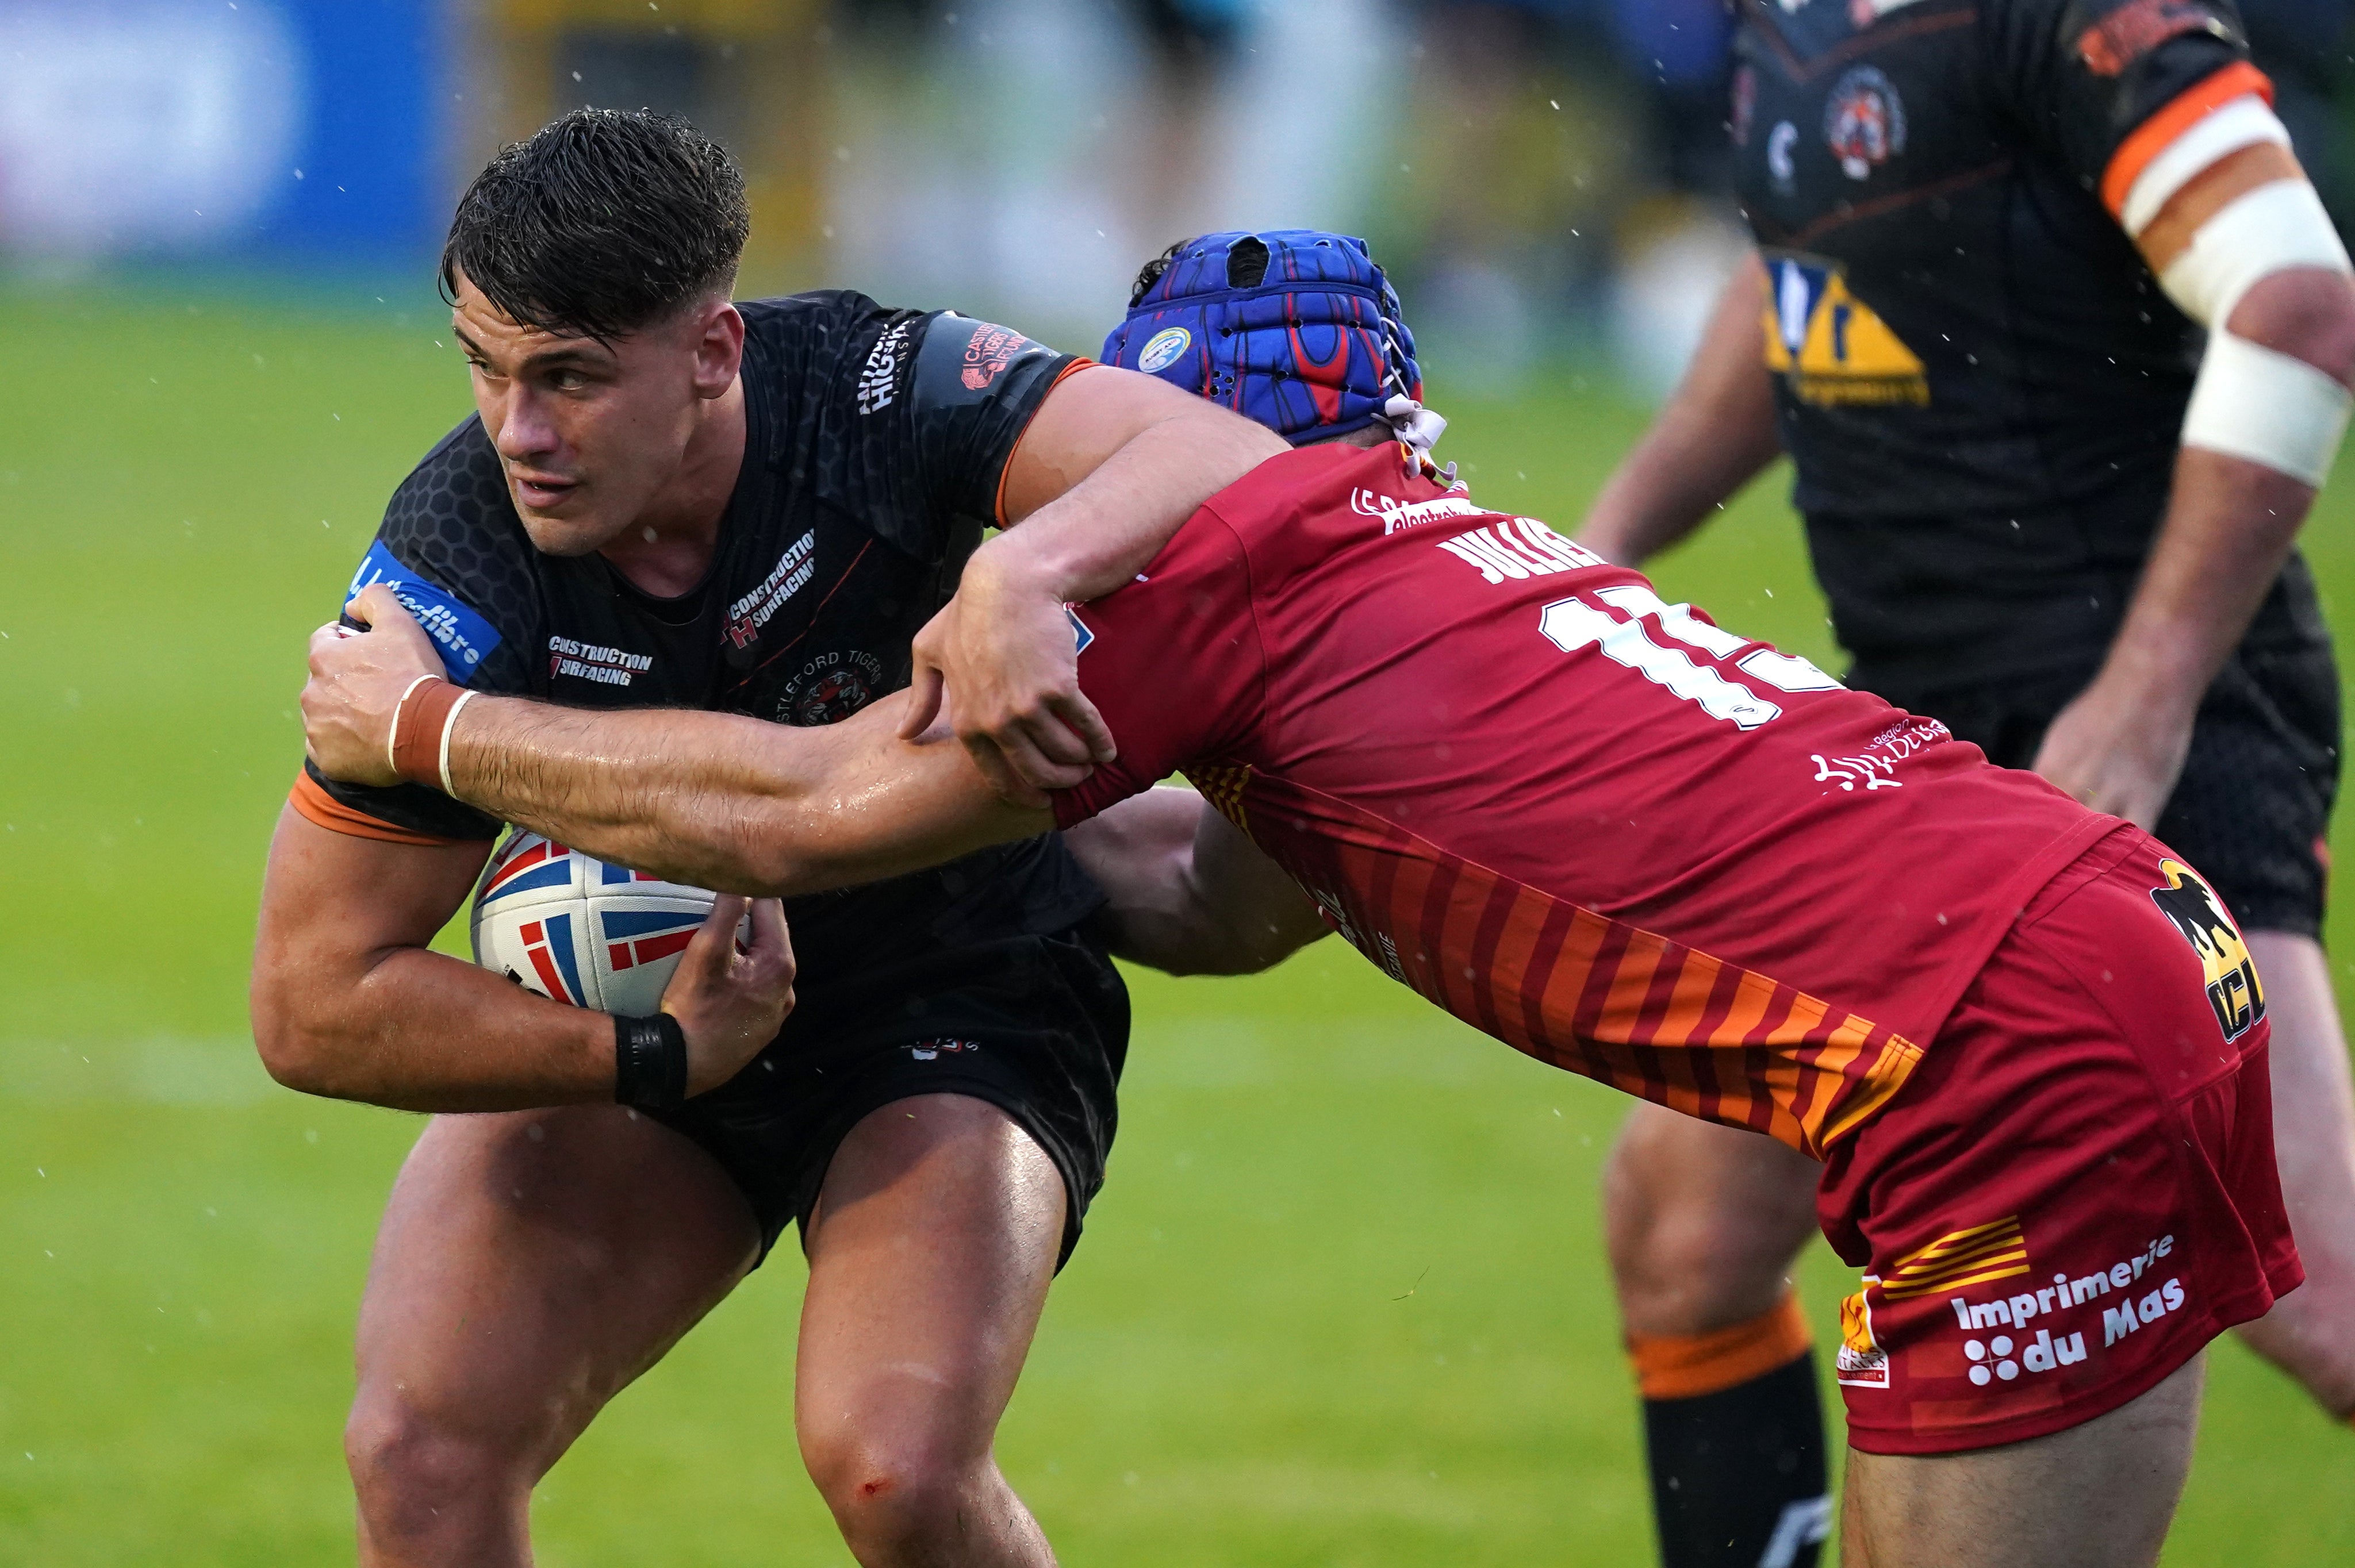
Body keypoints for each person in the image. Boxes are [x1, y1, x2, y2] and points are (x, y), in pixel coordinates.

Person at [304, 229, 2308, 1566]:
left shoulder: (1214, 576)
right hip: (2133, 938)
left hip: (1990, 1057)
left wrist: (436, 726)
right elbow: (1233, 899)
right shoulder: (1437, 536)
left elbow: (815, 812)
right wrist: (1002, 841)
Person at [247, 108, 1285, 1568]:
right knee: (419, 1448)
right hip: (658, 1025)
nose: (519, 434)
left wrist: (1021, 574)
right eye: (485, 368)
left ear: (715, 353)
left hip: (954, 985)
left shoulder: (873, 386)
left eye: (570, 380)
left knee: (898, 1469)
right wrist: (649, 1054)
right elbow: (309, 1001)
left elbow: (1221, 454)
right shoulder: (453, 573)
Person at [1571, 4, 2355, 1562]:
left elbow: (2299, 306)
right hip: (1922, 747)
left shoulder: (2071, 20)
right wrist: (1594, 563)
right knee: (1688, 1227)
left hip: (2145, 729)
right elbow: (1800, 273)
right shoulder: (1794, 18)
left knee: (2323, 1302)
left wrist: (2143, 697)